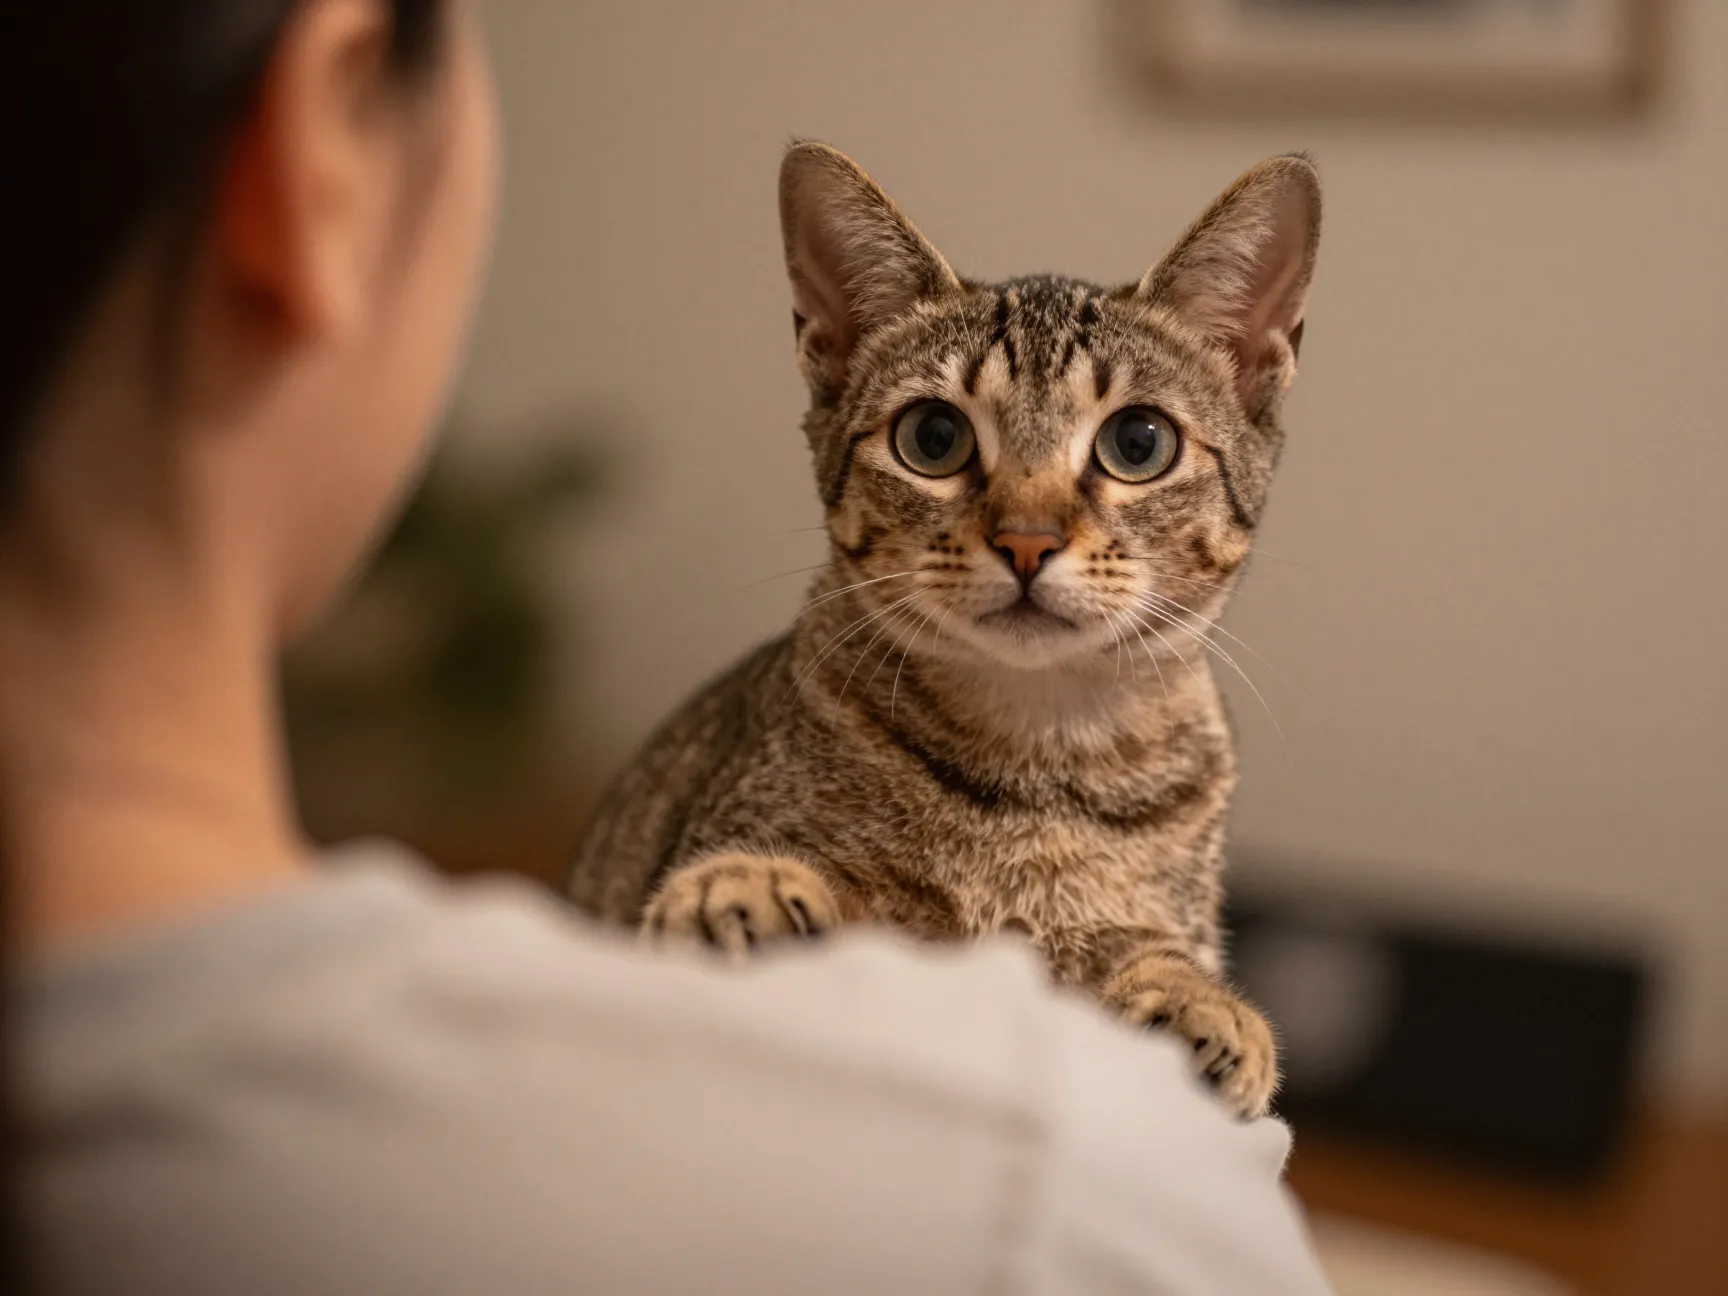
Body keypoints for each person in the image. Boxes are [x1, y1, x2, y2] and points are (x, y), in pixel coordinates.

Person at [0, 3, 1337, 1293]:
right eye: (937, 442)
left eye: (1137, 446)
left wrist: (1146, 980)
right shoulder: (1057, 1182)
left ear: (1254, 373)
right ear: (324, 142)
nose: (1032, 530)